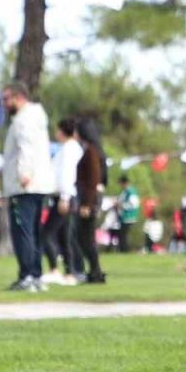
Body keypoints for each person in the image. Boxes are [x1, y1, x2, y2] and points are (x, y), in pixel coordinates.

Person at [0, 81, 55, 291]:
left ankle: (27, 275)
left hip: (24, 186)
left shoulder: (24, 119)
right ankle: (36, 274)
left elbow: (26, 148)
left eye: (6, 99)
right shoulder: (35, 117)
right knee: (34, 232)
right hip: (38, 184)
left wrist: (24, 173)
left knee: (23, 232)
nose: (4, 104)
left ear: (19, 97)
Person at [41, 117, 81, 285]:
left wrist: (64, 197)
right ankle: (70, 272)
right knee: (64, 236)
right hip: (66, 195)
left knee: (46, 234)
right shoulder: (70, 148)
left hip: (65, 196)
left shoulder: (68, 150)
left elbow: (66, 174)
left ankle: (54, 269)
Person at [72, 118, 106, 283]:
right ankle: (94, 270)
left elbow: (93, 179)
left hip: (89, 199)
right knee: (84, 236)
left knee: (86, 236)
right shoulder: (89, 149)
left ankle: (95, 271)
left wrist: (86, 204)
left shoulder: (91, 151)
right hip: (88, 197)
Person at [114, 174, 140, 252]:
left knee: (123, 235)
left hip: (129, 217)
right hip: (123, 217)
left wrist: (122, 206)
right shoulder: (124, 192)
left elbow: (134, 204)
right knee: (121, 235)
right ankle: (123, 250)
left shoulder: (131, 192)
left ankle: (125, 250)